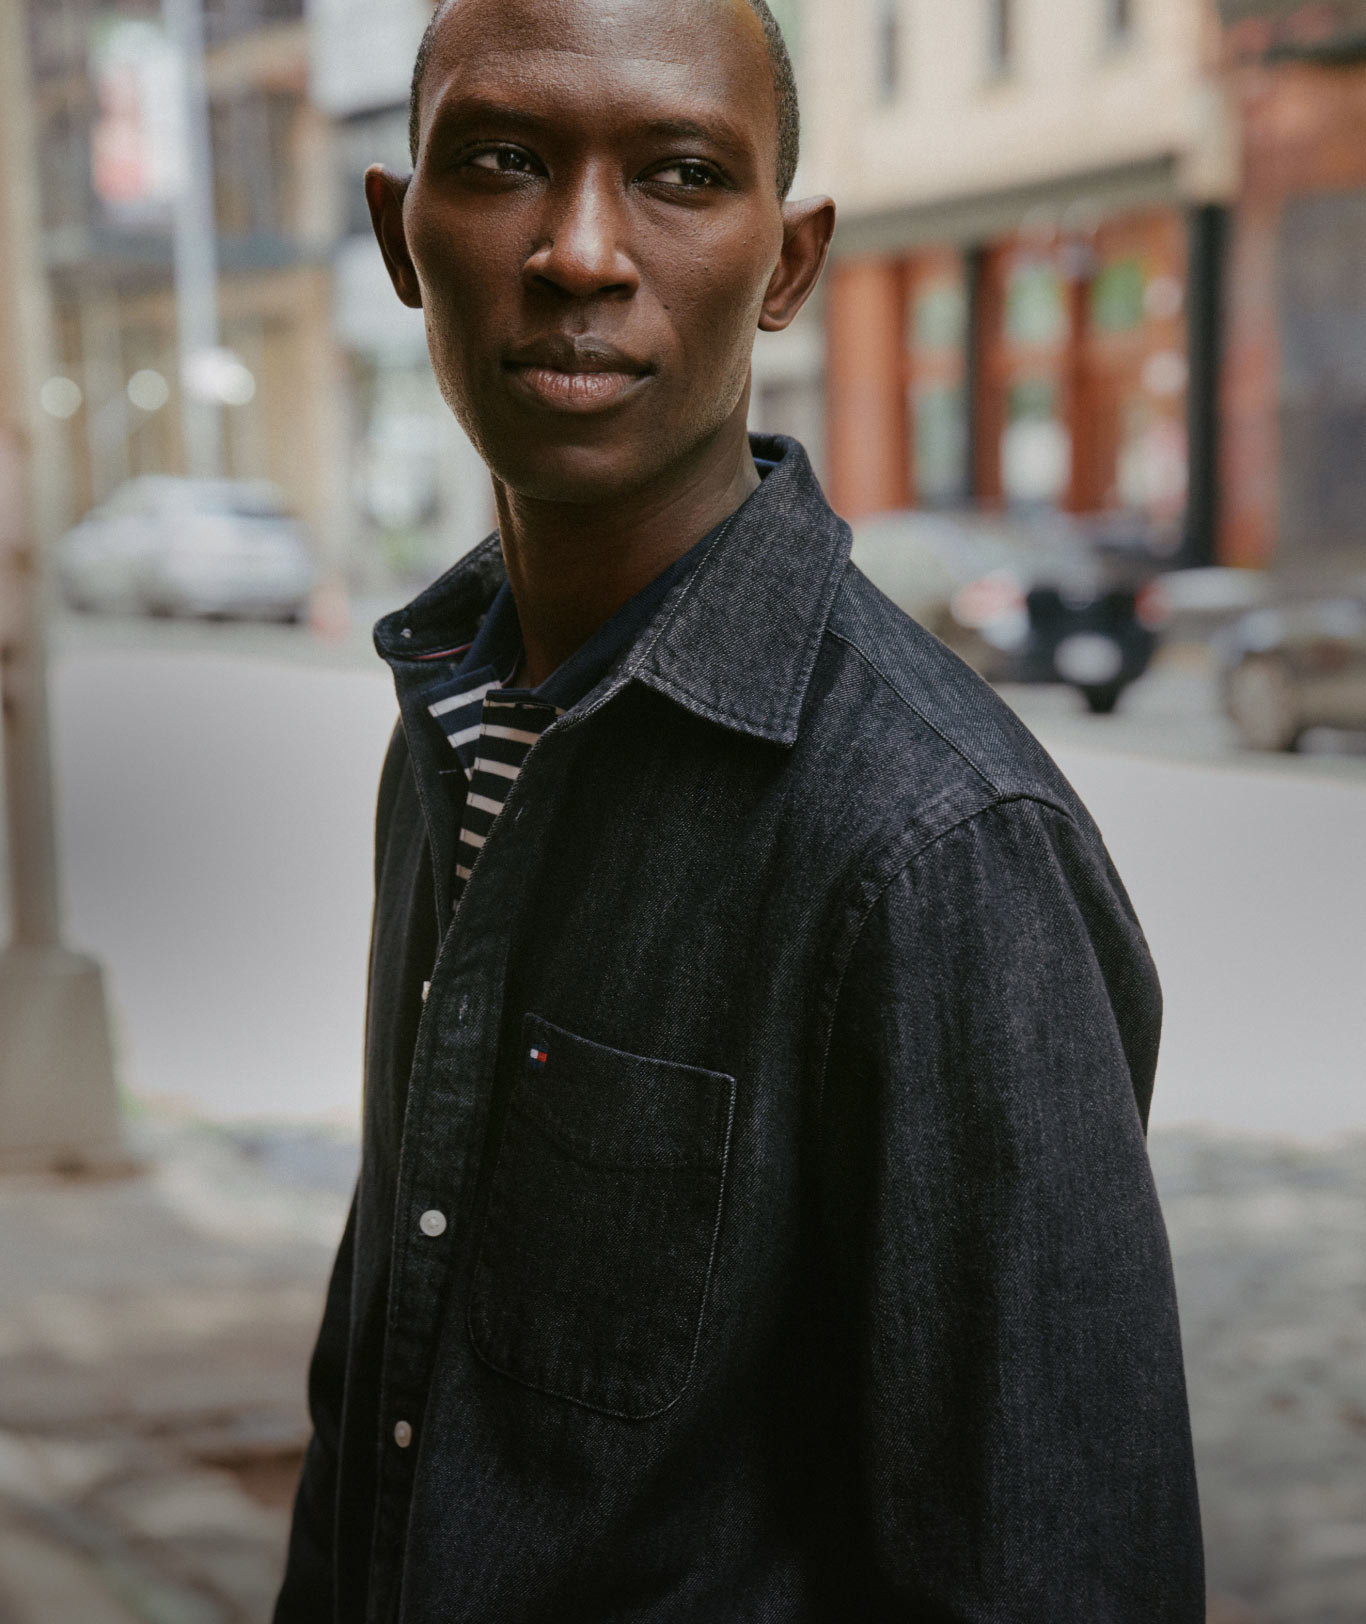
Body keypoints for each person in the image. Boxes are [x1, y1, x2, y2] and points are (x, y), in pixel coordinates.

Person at [274, 0, 1204, 1617]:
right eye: (501, 161)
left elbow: (1056, 1569)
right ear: (398, 231)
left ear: (786, 263)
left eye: (679, 175)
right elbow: (386, 1390)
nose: (577, 252)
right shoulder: (459, 713)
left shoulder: (935, 846)